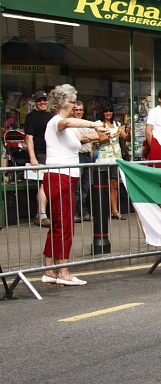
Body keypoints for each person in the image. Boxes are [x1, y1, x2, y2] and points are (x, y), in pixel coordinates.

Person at [40, 84, 107, 286]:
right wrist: (94, 124)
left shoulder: (67, 128)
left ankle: (50, 270)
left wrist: (107, 130)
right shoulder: (57, 122)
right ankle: (63, 271)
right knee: (65, 225)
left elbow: (84, 137)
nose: (74, 105)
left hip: (65, 178)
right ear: (62, 103)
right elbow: (68, 122)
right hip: (59, 177)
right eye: (71, 102)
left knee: (60, 225)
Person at [95, 101, 130, 220]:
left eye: (110, 111)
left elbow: (126, 138)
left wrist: (128, 131)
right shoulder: (98, 124)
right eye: (106, 111)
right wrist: (116, 134)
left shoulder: (117, 124)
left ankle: (115, 210)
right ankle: (103, 211)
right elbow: (101, 138)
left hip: (116, 158)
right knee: (102, 185)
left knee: (114, 185)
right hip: (104, 158)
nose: (108, 113)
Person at [25, 90, 52, 227]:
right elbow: (29, 138)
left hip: (52, 154)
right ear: (35, 102)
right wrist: (33, 157)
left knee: (46, 185)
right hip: (40, 154)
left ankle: (39, 214)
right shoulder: (31, 117)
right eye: (39, 100)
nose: (42, 102)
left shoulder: (52, 117)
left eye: (44, 100)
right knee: (44, 184)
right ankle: (42, 215)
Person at [71, 101, 93, 223]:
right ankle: (74, 213)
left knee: (85, 187)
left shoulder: (85, 123)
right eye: (76, 110)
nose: (78, 112)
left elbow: (95, 136)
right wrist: (87, 137)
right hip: (77, 156)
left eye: (80, 110)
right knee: (76, 188)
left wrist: (86, 137)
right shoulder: (70, 124)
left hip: (87, 156)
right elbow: (81, 139)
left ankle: (83, 212)